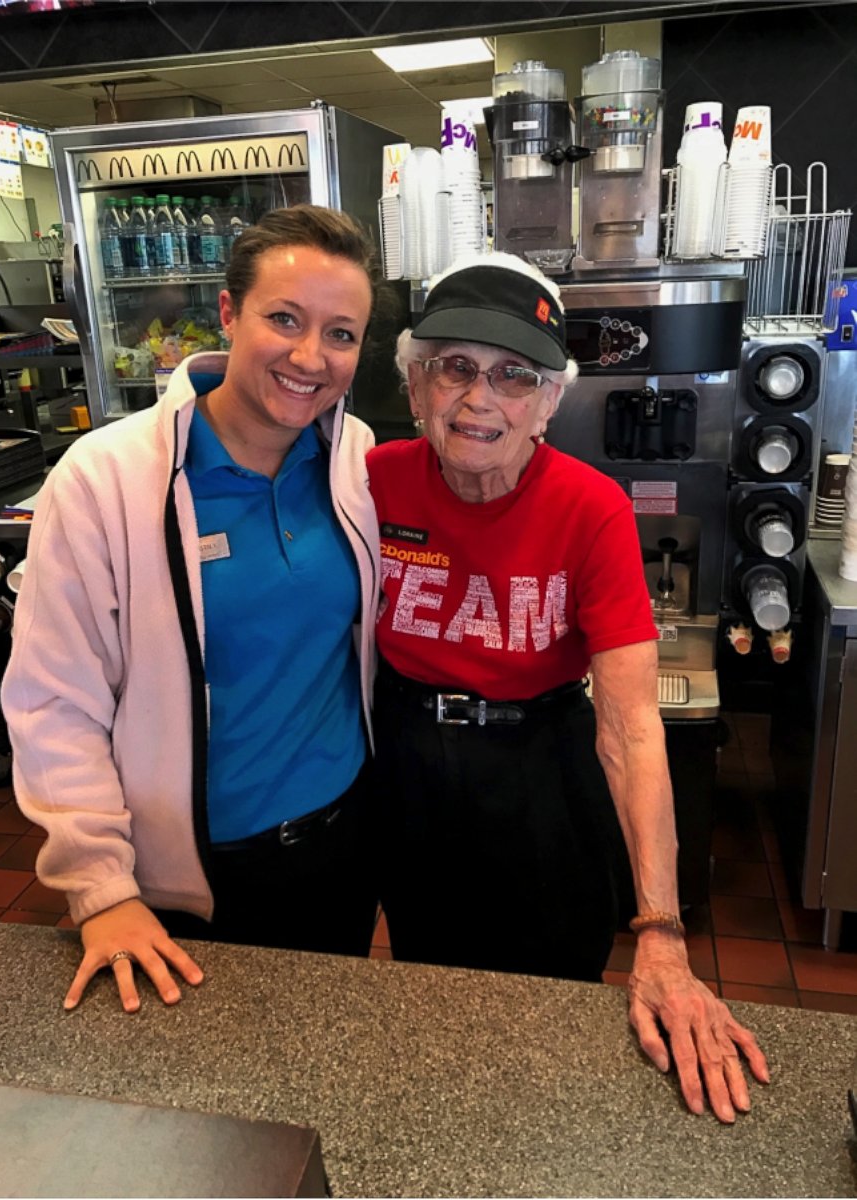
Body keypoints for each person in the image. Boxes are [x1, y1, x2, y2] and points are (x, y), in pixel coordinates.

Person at [367, 251, 770, 1123]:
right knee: (430, 993)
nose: (480, 399)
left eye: (515, 375)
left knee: (555, 1003)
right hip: (407, 768)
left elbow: (628, 726)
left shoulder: (589, 507)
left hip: (540, 772)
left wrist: (660, 933)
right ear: (413, 383)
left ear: (550, 402)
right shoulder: (369, 481)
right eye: (455, 368)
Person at [1, 204, 383, 1014]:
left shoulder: (354, 459)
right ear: (226, 314)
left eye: (341, 334)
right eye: (284, 319)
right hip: (192, 881)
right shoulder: (107, 477)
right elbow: (51, 700)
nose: (311, 357)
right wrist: (100, 887)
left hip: (343, 847)